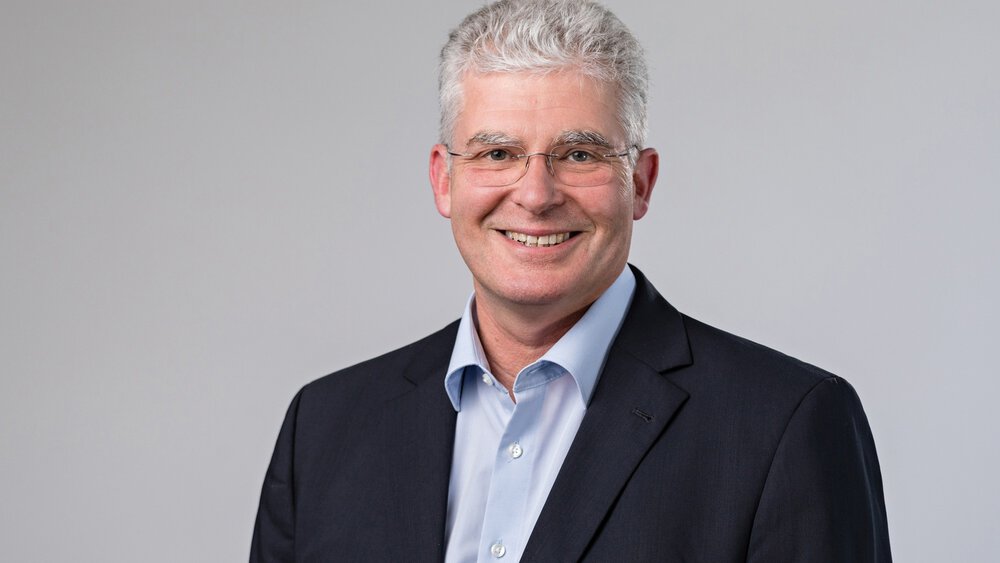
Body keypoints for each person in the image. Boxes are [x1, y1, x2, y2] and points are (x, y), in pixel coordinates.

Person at [250, 1, 891, 561]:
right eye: (498, 153)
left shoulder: (786, 425)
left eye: (578, 154)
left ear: (639, 183)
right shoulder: (326, 426)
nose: (534, 195)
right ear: (444, 179)